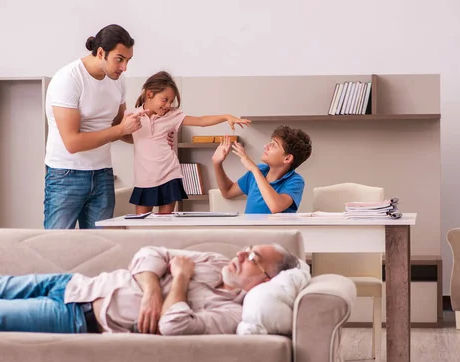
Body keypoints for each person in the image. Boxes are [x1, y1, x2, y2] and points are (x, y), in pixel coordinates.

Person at [0, 244, 299, 335]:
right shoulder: (215, 260)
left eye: (252, 257)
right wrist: (153, 291)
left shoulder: (233, 313)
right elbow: (150, 252)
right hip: (73, 284)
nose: (240, 254)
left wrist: (179, 278)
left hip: (79, 317)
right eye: (247, 247)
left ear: (265, 280)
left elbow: (174, 326)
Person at [44, 24, 146, 229]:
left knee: (101, 247)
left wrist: (153, 136)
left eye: (128, 60)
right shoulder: (68, 79)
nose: (124, 67)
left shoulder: (118, 81)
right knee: (55, 248)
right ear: (101, 53)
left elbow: (120, 127)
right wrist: (121, 129)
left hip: (102, 174)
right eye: (120, 59)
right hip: (66, 174)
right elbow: (72, 142)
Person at [128, 71, 251, 215]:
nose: (168, 105)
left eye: (171, 101)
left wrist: (225, 117)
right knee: (141, 225)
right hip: (144, 179)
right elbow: (121, 134)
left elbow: (200, 121)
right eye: (164, 99)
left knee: (165, 224)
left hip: (169, 175)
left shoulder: (173, 115)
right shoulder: (132, 116)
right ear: (149, 94)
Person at [212, 125, 312, 214]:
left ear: (287, 158)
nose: (265, 146)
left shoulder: (295, 181)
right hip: (249, 233)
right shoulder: (260, 170)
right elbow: (227, 192)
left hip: (276, 234)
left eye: (273, 145)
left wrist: (254, 170)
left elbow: (275, 207)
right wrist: (217, 164)